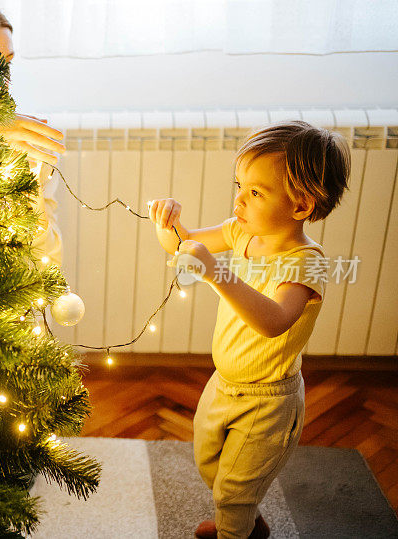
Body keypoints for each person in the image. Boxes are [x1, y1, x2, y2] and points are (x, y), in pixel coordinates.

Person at [148, 120, 350, 538]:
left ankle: (236, 524)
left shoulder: (305, 262)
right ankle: (246, 524)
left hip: (268, 402)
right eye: (238, 184)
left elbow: (274, 322)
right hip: (223, 383)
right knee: (210, 465)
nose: (238, 198)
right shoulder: (242, 231)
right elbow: (183, 245)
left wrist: (216, 272)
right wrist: (166, 222)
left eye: (255, 192)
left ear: (301, 206)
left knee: (236, 489)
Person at [0, 2, 66, 268]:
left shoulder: (26, 143)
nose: (2, 80)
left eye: (6, 62)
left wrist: (31, 195)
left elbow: (48, 261)